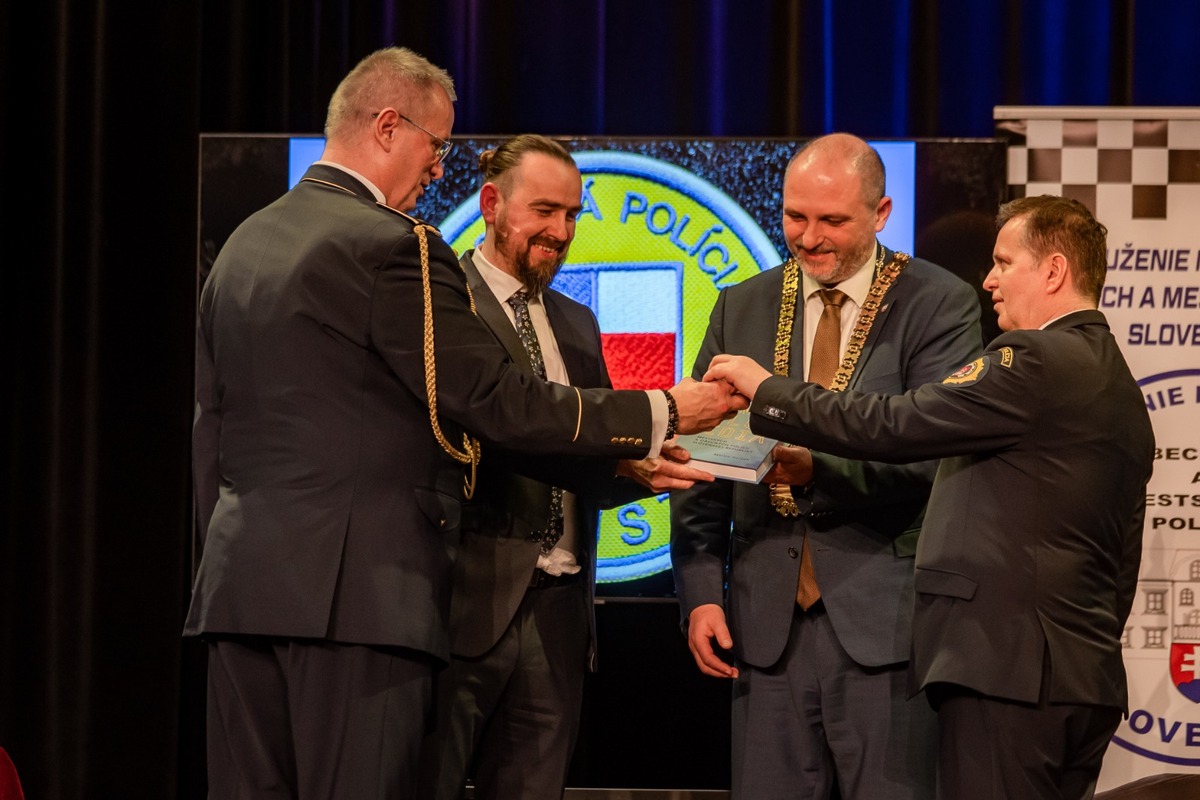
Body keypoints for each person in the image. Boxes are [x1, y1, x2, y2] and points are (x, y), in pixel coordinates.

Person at [185, 47, 740, 799]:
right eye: (435, 145)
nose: (437, 167)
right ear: (387, 125)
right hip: (362, 603)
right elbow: (498, 402)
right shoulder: (393, 245)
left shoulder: (243, 245)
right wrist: (666, 408)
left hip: (239, 594)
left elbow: (210, 432)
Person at [706, 194, 1153, 800]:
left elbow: (895, 425)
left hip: (1008, 676)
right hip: (1082, 677)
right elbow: (1123, 551)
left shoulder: (1033, 359)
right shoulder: (1119, 383)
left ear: (1053, 270)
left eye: (1003, 262)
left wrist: (770, 390)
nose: (988, 280)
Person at [670, 133, 982, 800]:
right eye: (794, 216)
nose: (809, 238)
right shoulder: (741, 304)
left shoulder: (939, 305)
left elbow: (936, 459)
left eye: (833, 221)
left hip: (886, 627)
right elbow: (698, 457)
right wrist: (699, 592)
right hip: (764, 628)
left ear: (882, 212)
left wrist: (816, 470)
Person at [417, 134, 713, 800]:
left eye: (573, 214)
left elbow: (580, 452)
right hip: (463, 608)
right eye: (545, 210)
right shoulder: (443, 304)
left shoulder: (577, 320)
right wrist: (659, 409)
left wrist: (638, 472)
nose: (561, 231)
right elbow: (501, 428)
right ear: (491, 203)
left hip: (560, 612)